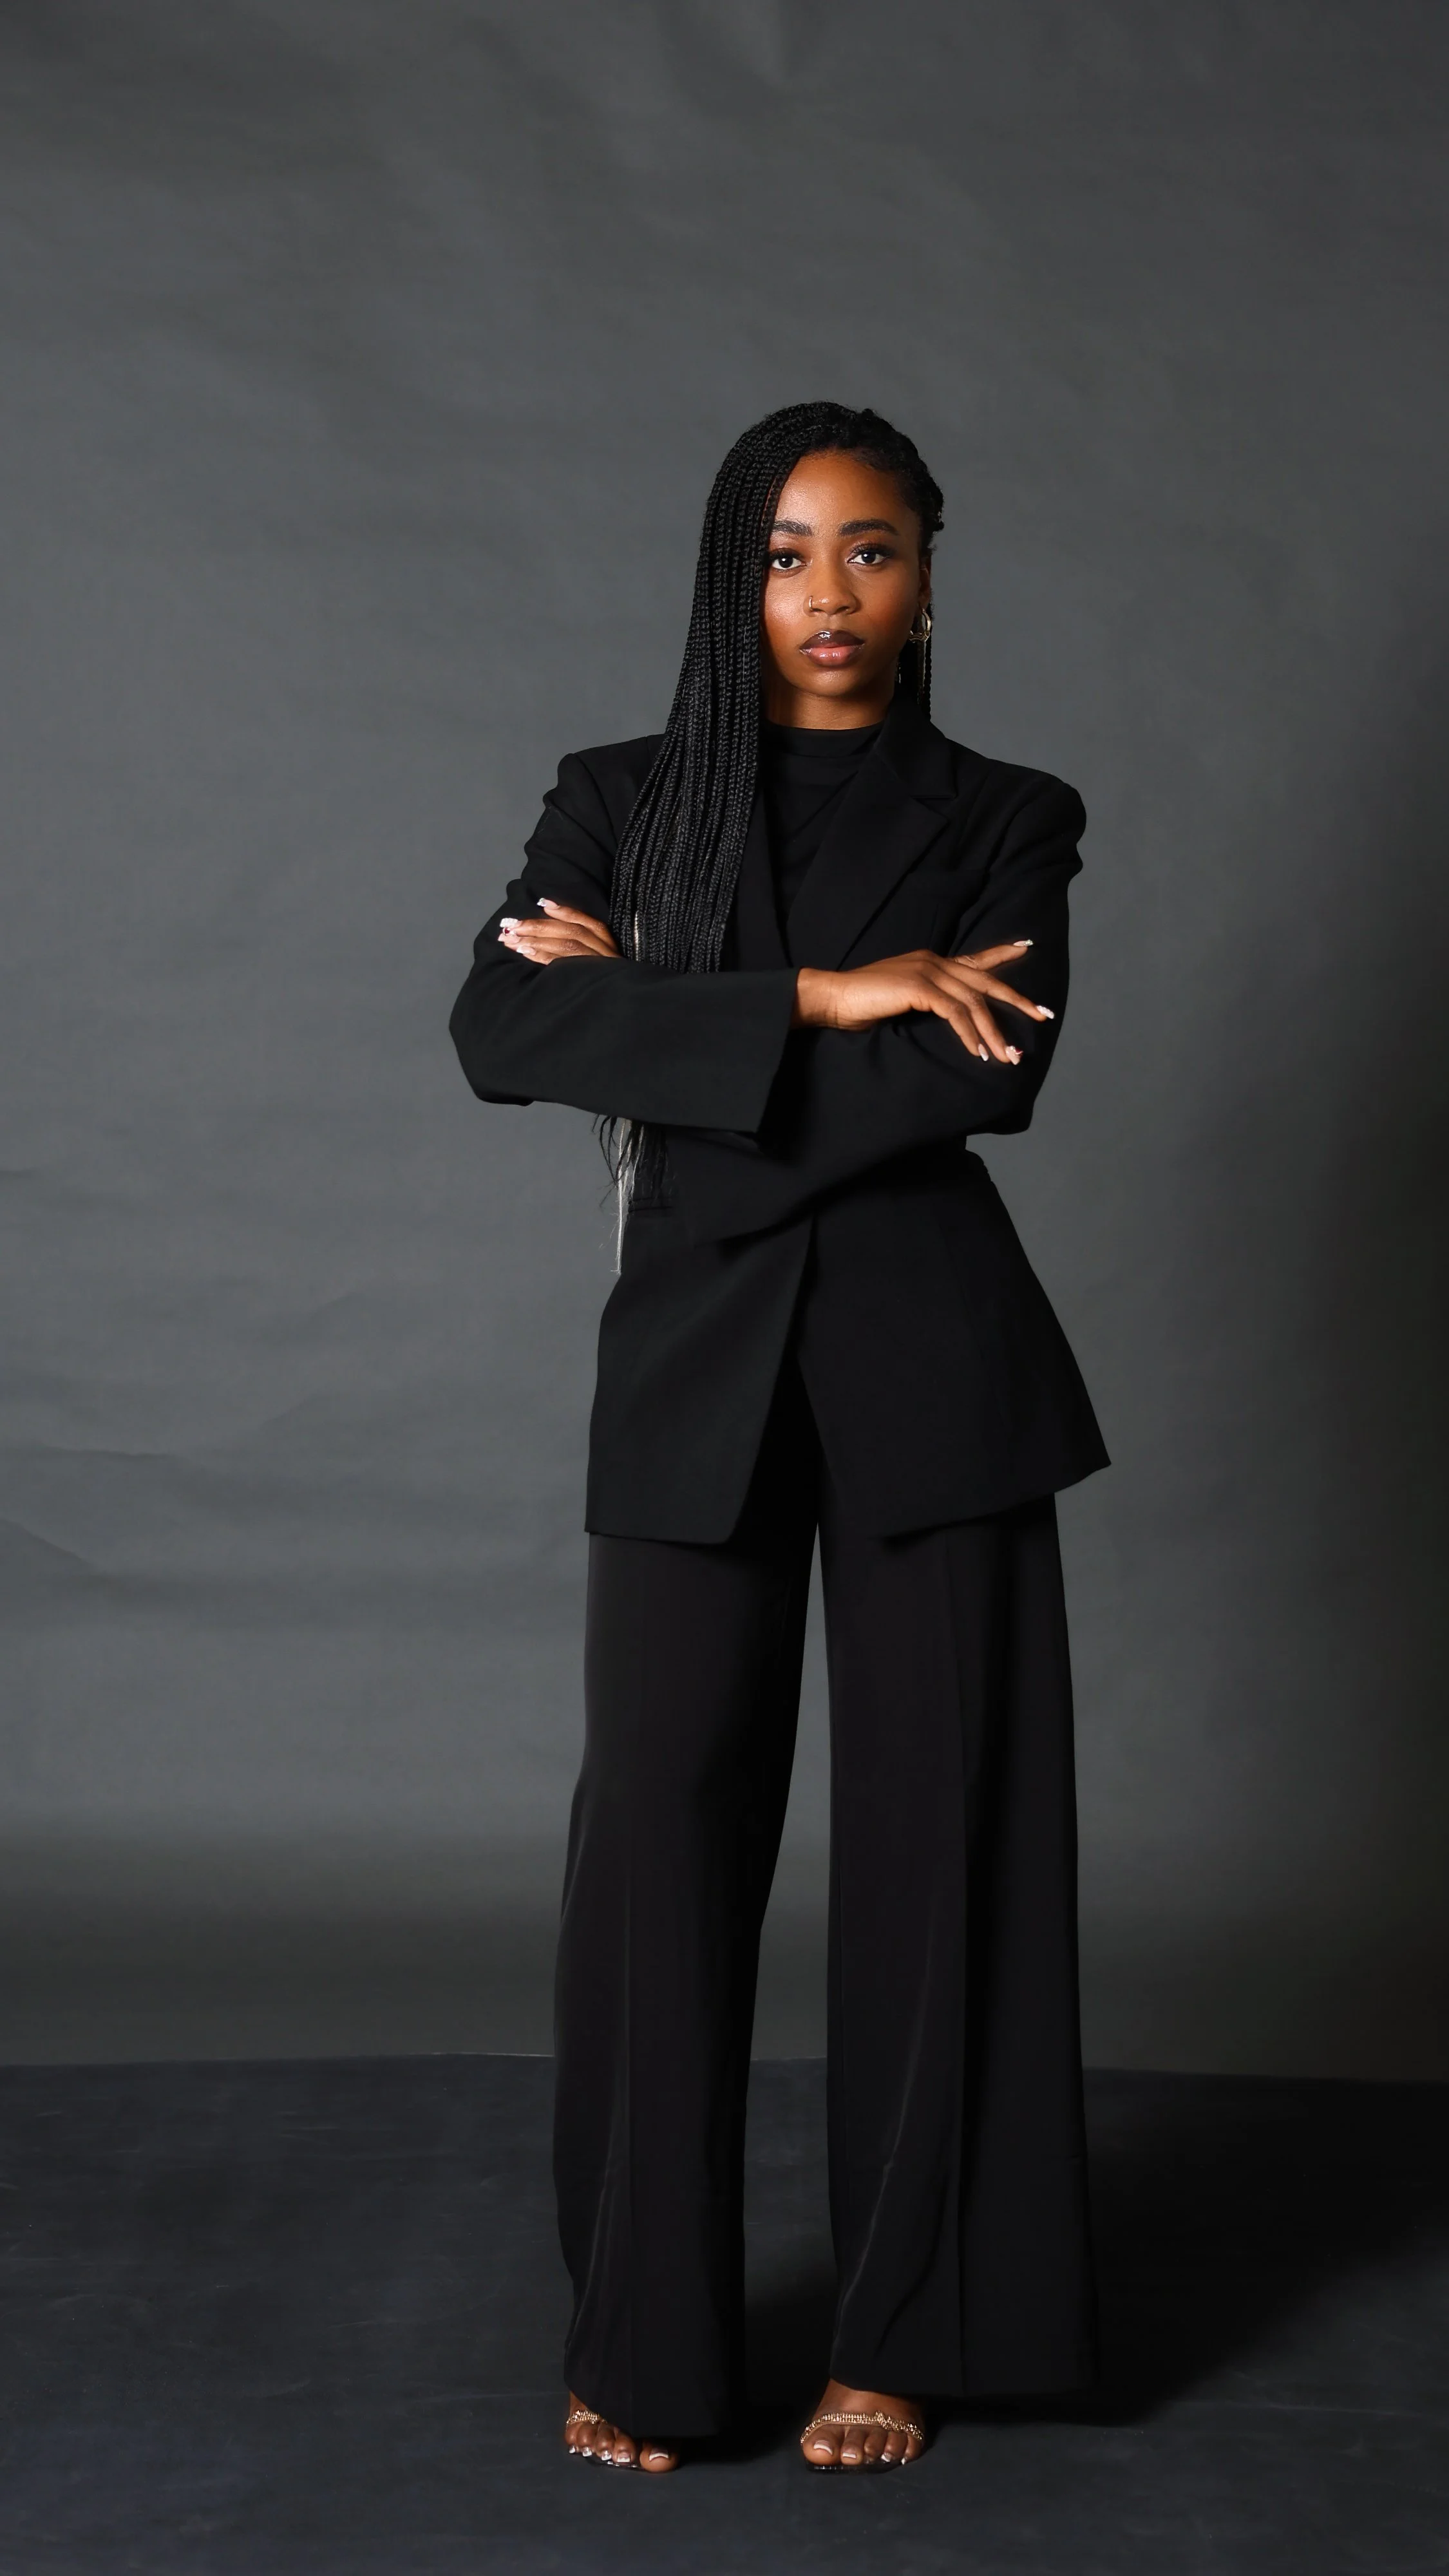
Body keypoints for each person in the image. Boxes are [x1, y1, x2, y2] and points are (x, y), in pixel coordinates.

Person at [449, 401, 1108, 2476]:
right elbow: (500, 1031)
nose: (829, 599)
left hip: (938, 1381)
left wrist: (669, 1021)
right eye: (787, 554)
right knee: (652, 1849)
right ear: (731, 575)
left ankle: (912, 2328)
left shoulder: (1012, 812)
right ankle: (645, 2336)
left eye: (874, 551)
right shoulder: (619, 797)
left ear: (931, 570)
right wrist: (821, 1002)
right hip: (692, 1386)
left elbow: (976, 1093)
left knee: (948, 1861)